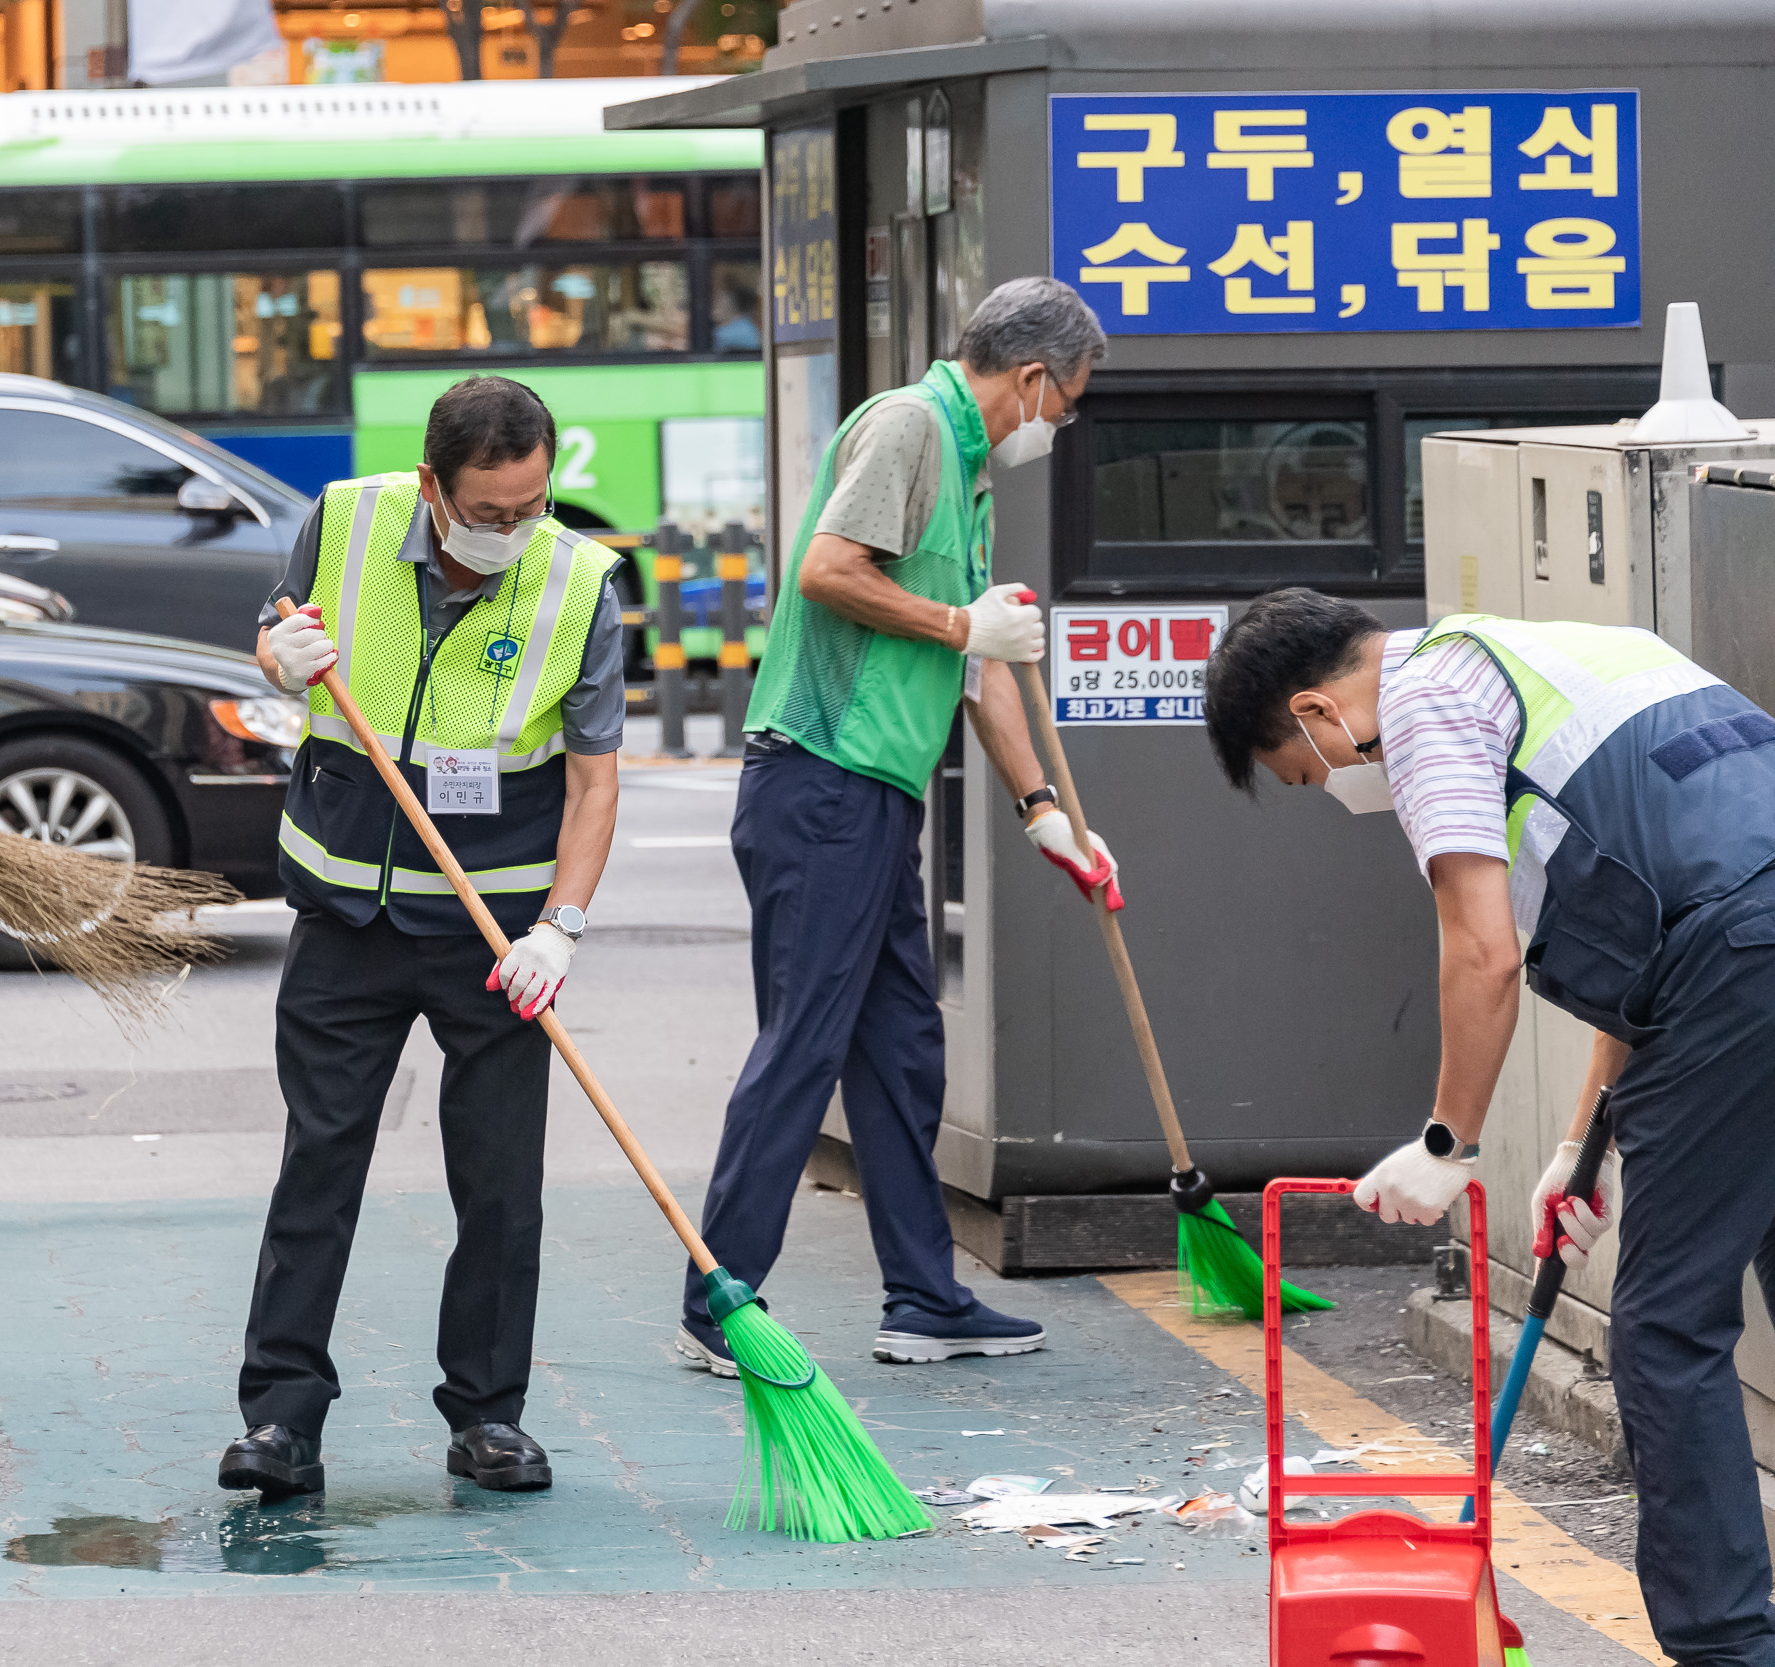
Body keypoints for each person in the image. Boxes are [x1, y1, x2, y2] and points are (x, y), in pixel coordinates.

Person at [1203, 587, 1775, 1665]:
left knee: (1664, 1326)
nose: (1334, 786)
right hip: (1739, 948)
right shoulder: (1542, 648)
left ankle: (1727, 1648)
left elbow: (1482, 949)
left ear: (1319, 709)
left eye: (1309, 770)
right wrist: (1576, 1145)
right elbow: (1661, 921)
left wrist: (1442, 1144)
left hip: (1744, 959)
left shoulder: (1421, 709)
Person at [675, 277, 1124, 1377]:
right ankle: (718, 1296)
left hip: (870, 794)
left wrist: (1043, 810)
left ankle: (923, 1296)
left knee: (899, 1049)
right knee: (805, 1044)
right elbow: (828, 571)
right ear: (1029, 378)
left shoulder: (964, 465)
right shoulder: (911, 426)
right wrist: (960, 619)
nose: (1057, 424)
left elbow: (982, 665)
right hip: (819, 779)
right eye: (1063, 403)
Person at [219, 374, 623, 1502]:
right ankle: (280, 1419)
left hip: (496, 934)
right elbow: (278, 625)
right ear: (431, 485)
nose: (513, 530)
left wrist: (560, 929)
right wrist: (277, 657)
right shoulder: (344, 519)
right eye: (489, 511)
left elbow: (593, 782)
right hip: (346, 914)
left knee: (499, 1184)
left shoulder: (578, 583)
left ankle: (489, 1414)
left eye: (533, 505)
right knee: (320, 1162)